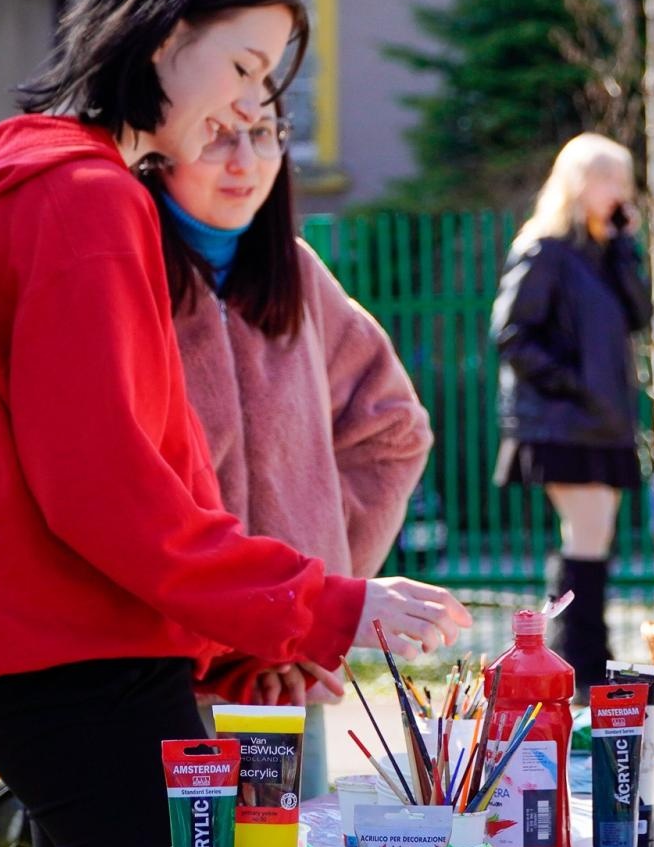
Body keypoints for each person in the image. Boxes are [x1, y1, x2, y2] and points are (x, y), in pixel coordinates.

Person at [0, 0, 468, 847]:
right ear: (162, 38)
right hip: (90, 668)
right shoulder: (86, 202)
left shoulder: (8, 194)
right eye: (241, 65)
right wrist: (322, 603)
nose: (248, 101)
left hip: (37, 667)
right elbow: (111, 493)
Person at [138, 90, 433, 795]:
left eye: (266, 134)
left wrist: (314, 591)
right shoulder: (125, 272)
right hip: (157, 677)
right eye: (218, 136)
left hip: (279, 685)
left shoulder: (294, 274)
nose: (246, 161)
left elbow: (393, 431)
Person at [490, 132, 650, 694]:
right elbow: (512, 334)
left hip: (601, 422)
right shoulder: (546, 249)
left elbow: (640, 314)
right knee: (585, 539)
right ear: (581, 182)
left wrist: (624, 247)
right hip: (564, 420)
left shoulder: (602, 256)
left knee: (592, 541)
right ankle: (580, 665)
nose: (619, 193)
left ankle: (583, 661)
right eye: (610, 180)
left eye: (623, 182)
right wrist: (575, 384)